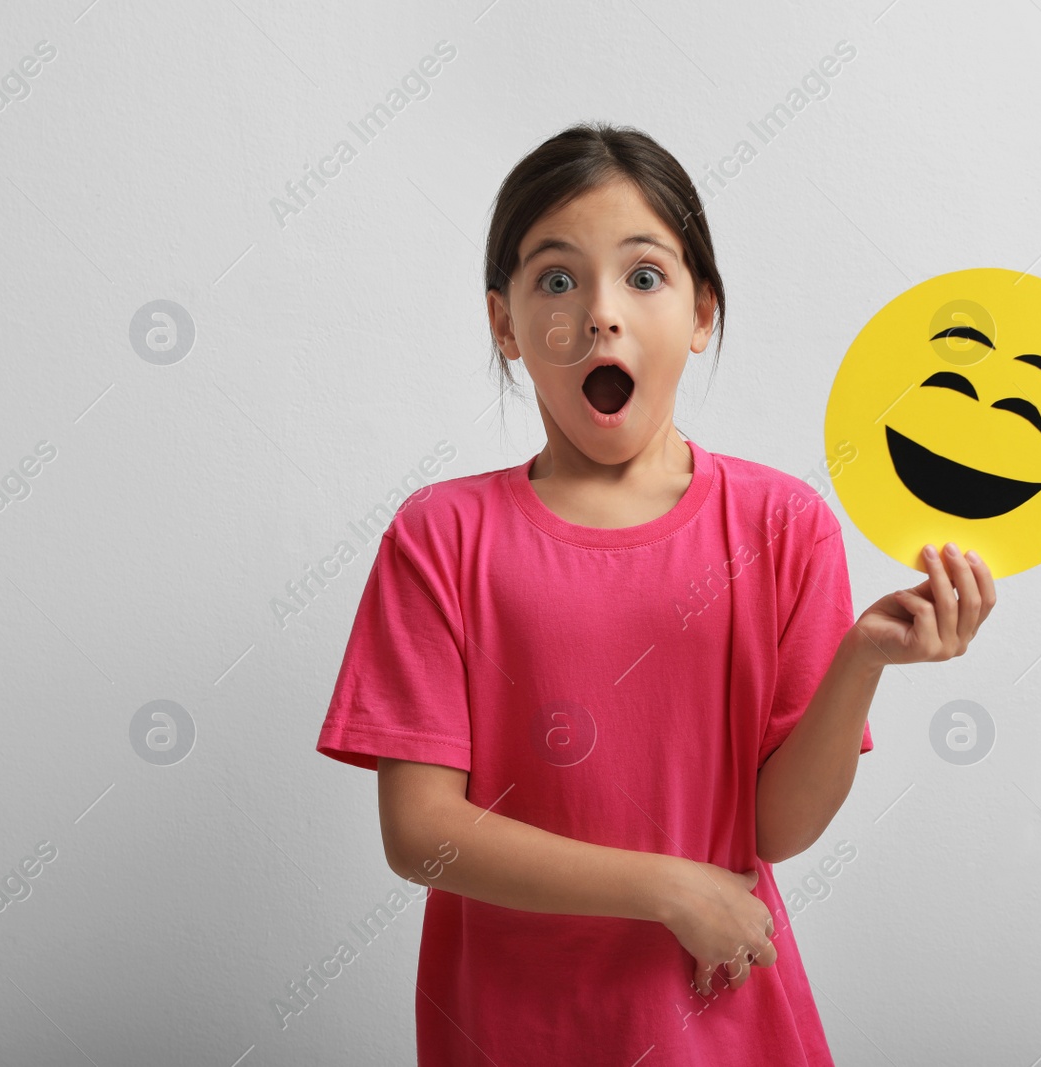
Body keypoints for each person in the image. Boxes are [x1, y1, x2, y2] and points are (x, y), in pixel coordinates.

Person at [314, 120, 996, 1065]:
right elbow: (421, 833)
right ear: (504, 322)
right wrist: (667, 888)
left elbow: (779, 828)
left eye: (644, 275)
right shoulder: (441, 536)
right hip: (510, 1033)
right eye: (557, 278)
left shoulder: (784, 525)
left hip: (728, 1030)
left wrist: (862, 659)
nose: (601, 312)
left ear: (702, 311)